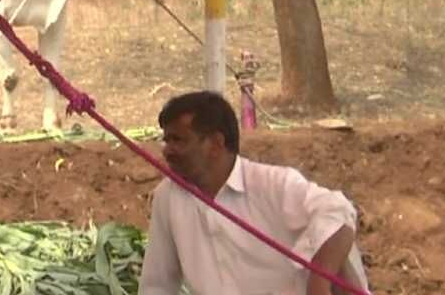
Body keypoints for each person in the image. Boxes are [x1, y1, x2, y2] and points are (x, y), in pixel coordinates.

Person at [140, 91, 368, 295]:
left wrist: (318, 284)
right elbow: (157, 285)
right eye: (166, 140)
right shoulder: (168, 197)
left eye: (178, 140)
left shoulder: (273, 184)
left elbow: (339, 212)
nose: (167, 151)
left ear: (216, 144)